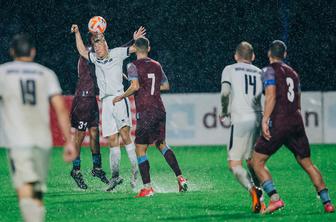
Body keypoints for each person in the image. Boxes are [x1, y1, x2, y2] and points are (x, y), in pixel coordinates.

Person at [251, 40, 335, 214]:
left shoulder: (268, 70)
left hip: (279, 121)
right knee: (307, 163)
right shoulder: (293, 73)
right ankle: (327, 203)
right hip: (295, 120)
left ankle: (275, 199)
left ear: (269, 54)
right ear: (285, 55)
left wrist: (265, 120)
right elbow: (297, 100)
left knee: (256, 161)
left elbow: (271, 96)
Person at [0, 33, 76, 222]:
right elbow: (60, 108)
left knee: (25, 190)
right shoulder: (46, 73)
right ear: (33, 52)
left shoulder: (3, 72)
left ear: (12, 52)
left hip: (18, 140)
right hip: (43, 141)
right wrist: (70, 142)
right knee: (37, 193)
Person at [71, 25, 145, 191]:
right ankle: (115, 176)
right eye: (95, 47)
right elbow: (82, 50)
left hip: (119, 99)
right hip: (105, 103)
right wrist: (77, 33)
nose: (96, 50)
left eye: (99, 46)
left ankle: (135, 173)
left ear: (105, 45)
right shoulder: (96, 59)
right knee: (112, 140)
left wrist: (136, 38)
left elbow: (136, 48)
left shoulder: (118, 53)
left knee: (125, 136)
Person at [112, 37, 188, 197]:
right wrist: (148, 86)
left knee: (140, 148)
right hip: (159, 109)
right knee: (161, 144)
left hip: (145, 111)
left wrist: (121, 96)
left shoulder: (132, 66)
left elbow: (135, 86)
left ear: (135, 48)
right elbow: (166, 86)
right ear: (149, 48)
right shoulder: (157, 65)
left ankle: (147, 187)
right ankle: (180, 178)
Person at [220, 41, 265, 212]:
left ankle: (252, 190)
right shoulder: (261, 72)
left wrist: (224, 111)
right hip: (257, 118)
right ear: (253, 57)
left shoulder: (230, 69)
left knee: (234, 164)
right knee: (252, 160)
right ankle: (263, 196)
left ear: (235, 56)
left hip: (240, 118)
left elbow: (225, 93)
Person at [70, 33, 109, 189]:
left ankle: (97, 168)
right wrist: (77, 33)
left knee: (94, 133)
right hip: (83, 98)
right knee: (80, 135)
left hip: (92, 97)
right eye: (98, 37)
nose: (101, 40)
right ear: (92, 40)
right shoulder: (88, 52)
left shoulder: (97, 52)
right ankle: (76, 170)